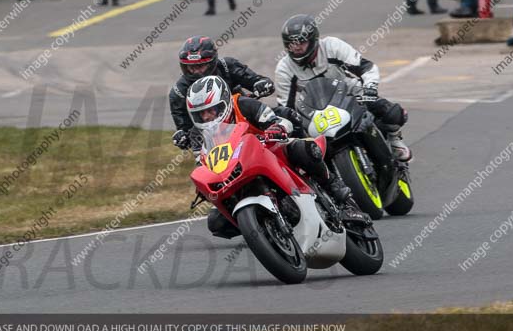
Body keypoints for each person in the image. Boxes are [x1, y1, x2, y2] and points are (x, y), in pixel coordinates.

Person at [185, 76, 365, 238]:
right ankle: (263, 227)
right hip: (234, 172)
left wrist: (276, 128)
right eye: (201, 114)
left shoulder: (243, 104)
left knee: (305, 149)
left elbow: (277, 121)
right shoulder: (197, 134)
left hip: (271, 150)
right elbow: (203, 162)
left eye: (212, 110)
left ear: (225, 102)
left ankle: (339, 194)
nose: (207, 116)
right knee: (216, 222)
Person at [275, 14, 412, 162]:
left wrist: (370, 88)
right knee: (300, 149)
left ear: (313, 38)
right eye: (291, 44)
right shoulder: (284, 68)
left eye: (301, 42)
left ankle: (394, 139)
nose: (296, 48)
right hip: (315, 112)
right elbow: (285, 108)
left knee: (393, 113)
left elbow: (367, 68)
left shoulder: (331, 46)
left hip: (350, 95)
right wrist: (287, 128)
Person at [170, 36, 274, 153]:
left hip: (243, 118)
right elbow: (187, 131)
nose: (196, 71)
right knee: (202, 168)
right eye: (191, 67)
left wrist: (262, 85)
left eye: (200, 66)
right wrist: (182, 137)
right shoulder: (178, 92)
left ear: (212, 62)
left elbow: (256, 80)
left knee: (283, 113)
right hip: (213, 139)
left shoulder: (227, 67)